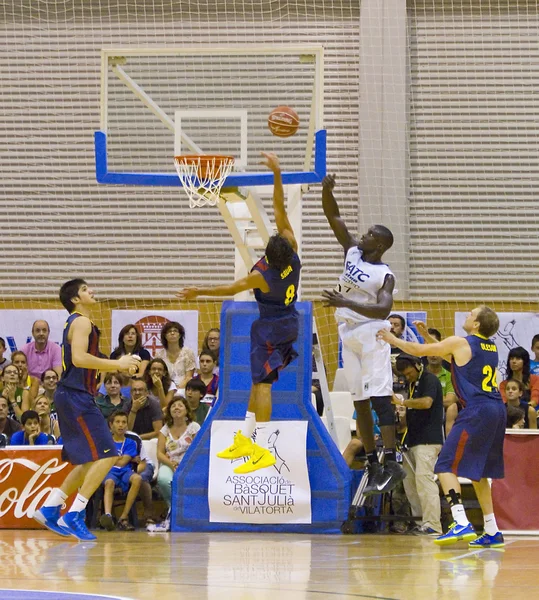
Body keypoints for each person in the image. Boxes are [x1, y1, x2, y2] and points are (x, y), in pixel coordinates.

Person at [177, 152, 300, 474]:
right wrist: (277, 173)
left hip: (272, 328)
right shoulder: (293, 248)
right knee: (257, 382)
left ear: (269, 257)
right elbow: (279, 209)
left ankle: (260, 447)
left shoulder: (263, 275)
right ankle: (245, 437)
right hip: (288, 323)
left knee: (262, 386)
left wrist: (196, 292)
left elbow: (229, 291)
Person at [378, 305, 506, 548]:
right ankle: (491, 529)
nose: (468, 314)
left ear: (477, 324)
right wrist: (429, 336)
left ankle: (460, 521)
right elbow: (451, 356)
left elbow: (418, 350)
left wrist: (392, 338)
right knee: (479, 476)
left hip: (476, 410)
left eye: (471, 314)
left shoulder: (461, 342)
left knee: (444, 465)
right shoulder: (490, 347)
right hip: (496, 411)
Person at [32, 278, 140, 541]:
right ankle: (75, 512)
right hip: (76, 397)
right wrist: (117, 363)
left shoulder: (79, 322)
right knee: (108, 455)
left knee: (87, 460)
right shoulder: (80, 321)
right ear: (75, 299)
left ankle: (50, 507)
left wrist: (118, 366)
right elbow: (79, 358)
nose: (91, 290)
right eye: (84, 289)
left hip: (73, 396)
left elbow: (83, 361)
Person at [320, 173, 404, 495]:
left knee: (381, 399)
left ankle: (392, 461)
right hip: (348, 333)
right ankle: (372, 461)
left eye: (370, 234)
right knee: (360, 402)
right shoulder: (352, 251)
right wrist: (327, 191)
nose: (363, 234)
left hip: (372, 334)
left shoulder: (385, 275)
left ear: (380, 245)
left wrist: (344, 299)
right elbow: (334, 216)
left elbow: (384, 310)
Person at [394, 354, 444, 536]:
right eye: (405, 376)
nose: (408, 377)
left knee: (424, 480)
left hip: (428, 440)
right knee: (409, 481)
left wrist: (402, 402)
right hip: (413, 440)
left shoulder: (429, 379)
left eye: (409, 373)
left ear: (417, 365)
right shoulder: (413, 384)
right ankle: (420, 520)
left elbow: (426, 403)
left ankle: (433, 525)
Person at [155, 396, 200, 530]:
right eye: (173, 406)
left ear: (187, 410)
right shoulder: (165, 429)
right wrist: (170, 464)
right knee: (163, 479)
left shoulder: (194, 427)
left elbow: (199, 450)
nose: (176, 408)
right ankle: (174, 508)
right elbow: (159, 453)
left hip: (190, 465)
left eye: (180, 405)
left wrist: (185, 464)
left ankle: (186, 510)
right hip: (169, 463)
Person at [99, 411, 142, 532]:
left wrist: (114, 458)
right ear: (111, 425)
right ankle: (108, 516)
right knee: (109, 483)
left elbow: (123, 463)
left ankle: (123, 516)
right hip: (109, 472)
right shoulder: (106, 442)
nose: (121, 425)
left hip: (125, 471)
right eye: (117, 422)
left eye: (124, 422)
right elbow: (104, 461)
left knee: (137, 479)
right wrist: (121, 458)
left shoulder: (130, 442)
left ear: (127, 426)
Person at [156, 322, 196, 390]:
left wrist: (177, 389)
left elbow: (188, 377)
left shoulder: (188, 353)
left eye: (175, 331)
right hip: (164, 389)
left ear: (180, 335)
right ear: (165, 336)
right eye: (169, 331)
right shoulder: (159, 355)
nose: (172, 333)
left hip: (184, 389)